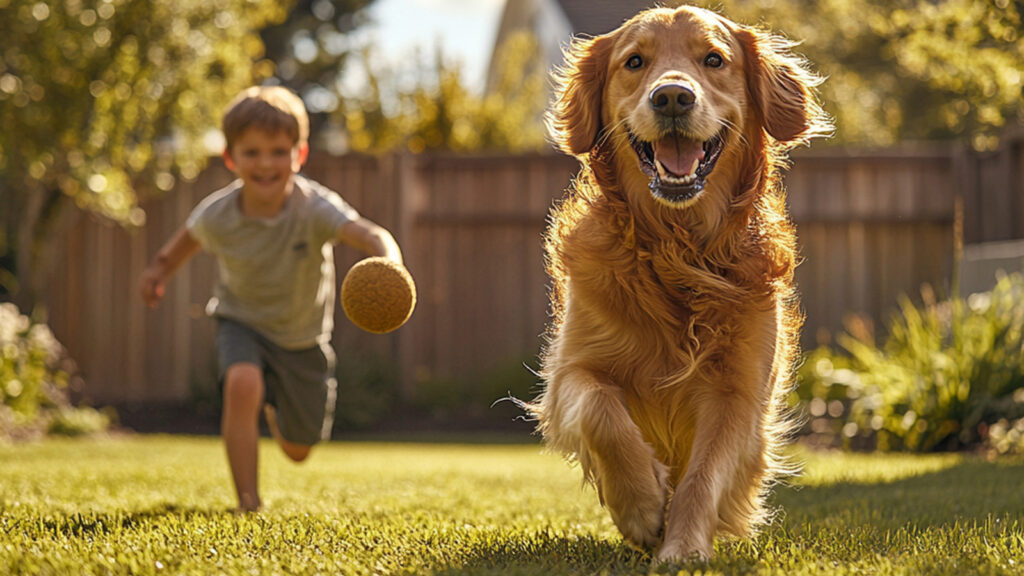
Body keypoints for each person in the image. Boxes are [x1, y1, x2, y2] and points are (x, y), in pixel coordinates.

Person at [139, 85, 403, 512]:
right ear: (231, 158)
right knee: (243, 384)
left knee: (299, 449)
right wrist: (159, 270)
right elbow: (186, 241)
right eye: (252, 152)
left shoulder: (314, 208)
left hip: (302, 336)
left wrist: (389, 263)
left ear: (299, 155)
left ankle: (278, 410)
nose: (266, 163)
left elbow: (371, 233)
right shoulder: (218, 213)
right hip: (239, 319)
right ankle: (248, 501)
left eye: (278, 151)